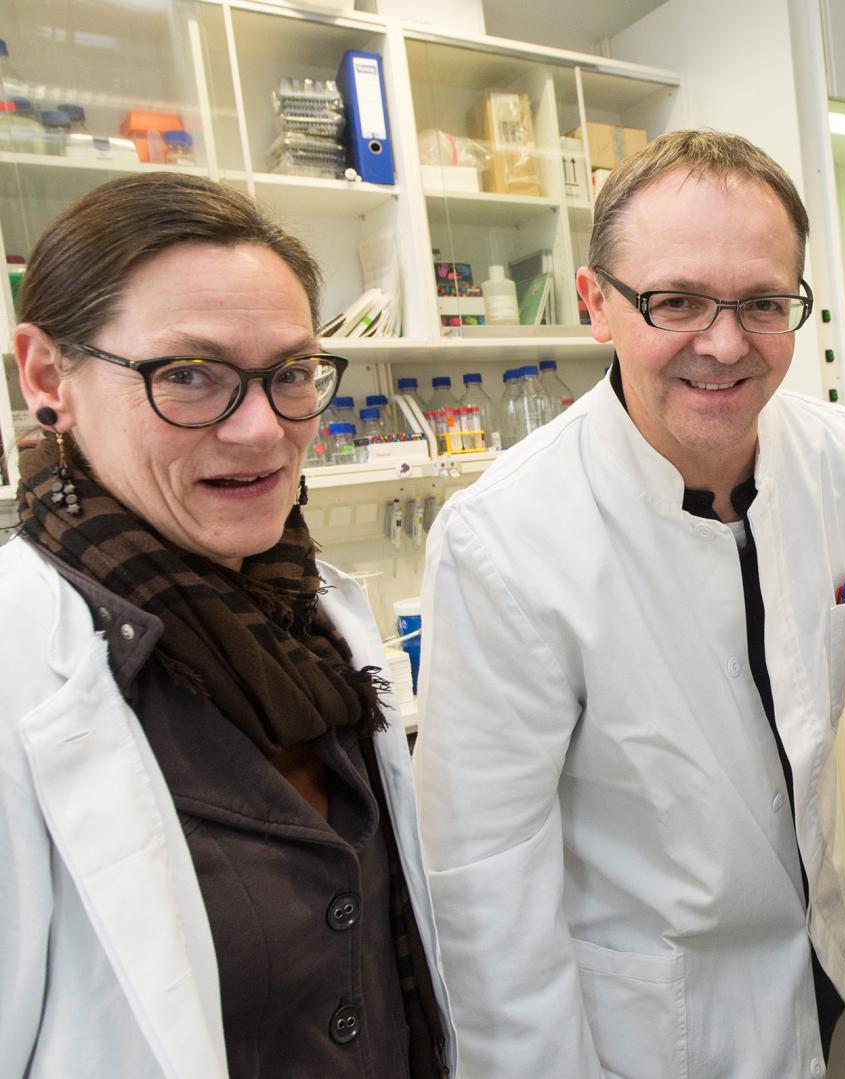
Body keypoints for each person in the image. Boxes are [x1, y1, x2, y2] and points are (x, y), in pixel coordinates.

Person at [414, 130, 845, 1077]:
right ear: (597, 302)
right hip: (651, 1030)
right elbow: (486, 893)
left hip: (827, 977)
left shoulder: (844, 462)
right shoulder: (504, 540)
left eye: (762, 303)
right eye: (675, 301)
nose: (724, 343)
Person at [0, 173, 453, 1077]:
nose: (260, 430)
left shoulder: (316, 622)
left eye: (289, 373)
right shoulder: (25, 668)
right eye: (189, 375)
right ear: (50, 378)